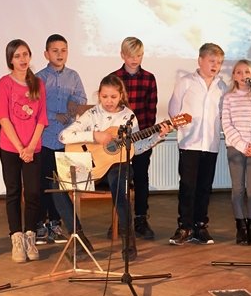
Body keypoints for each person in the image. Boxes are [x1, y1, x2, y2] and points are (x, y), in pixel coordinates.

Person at [60, 75, 171, 260]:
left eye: (113, 97)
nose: (109, 101)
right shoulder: (92, 114)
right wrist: (94, 136)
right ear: (99, 95)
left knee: (120, 179)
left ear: (121, 96)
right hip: (90, 167)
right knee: (57, 184)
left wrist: (157, 136)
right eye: (104, 97)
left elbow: (136, 148)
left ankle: (128, 241)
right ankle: (79, 239)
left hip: (115, 169)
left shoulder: (129, 117)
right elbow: (64, 136)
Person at [34, 34, 92, 250]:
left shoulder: (73, 76)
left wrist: (70, 109)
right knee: (44, 183)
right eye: (55, 50)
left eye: (63, 50)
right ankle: (41, 224)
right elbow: (35, 105)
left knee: (61, 184)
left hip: (67, 140)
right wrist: (54, 115)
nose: (60, 54)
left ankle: (56, 223)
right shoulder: (39, 78)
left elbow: (81, 99)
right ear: (46, 54)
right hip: (45, 138)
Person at [167, 43, 227, 245]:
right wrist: (182, 125)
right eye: (212, 61)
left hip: (210, 144)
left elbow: (223, 114)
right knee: (188, 186)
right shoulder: (186, 82)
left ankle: (200, 226)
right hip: (189, 143)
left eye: (219, 62)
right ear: (200, 60)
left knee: (204, 187)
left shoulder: (222, 86)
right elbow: (174, 109)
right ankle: (185, 226)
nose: (215, 65)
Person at [0, 39, 48, 263]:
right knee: (14, 192)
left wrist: (30, 147)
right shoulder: (5, 83)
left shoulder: (38, 83)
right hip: (10, 148)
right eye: (17, 56)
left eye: (25, 54)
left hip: (33, 148)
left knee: (34, 193)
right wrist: (20, 148)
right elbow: (3, 117)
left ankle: (30, 236)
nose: (22, 59)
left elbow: (42, 118)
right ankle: (16, 238)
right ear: (10, 60)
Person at [110, 37, 158, 240]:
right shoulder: (113, 79)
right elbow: (108, 110)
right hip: (118, 140)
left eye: (138, 55)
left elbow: (151, 112)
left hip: (141, 137)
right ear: (123, 55)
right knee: (119, 179)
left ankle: (140, 219)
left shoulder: (149, 79)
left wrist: (145, 136)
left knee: (141, 178)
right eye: (130, 55)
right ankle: (120, 221)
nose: (134, 59)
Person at [222, 59, 251, 245]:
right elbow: (227, 125)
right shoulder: (228, 98)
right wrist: (243, 145)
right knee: (238, 189)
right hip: (235, 148)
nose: (243, 76)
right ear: (234, 76)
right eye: (239, 72)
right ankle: (241, 228)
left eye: (247, 72)